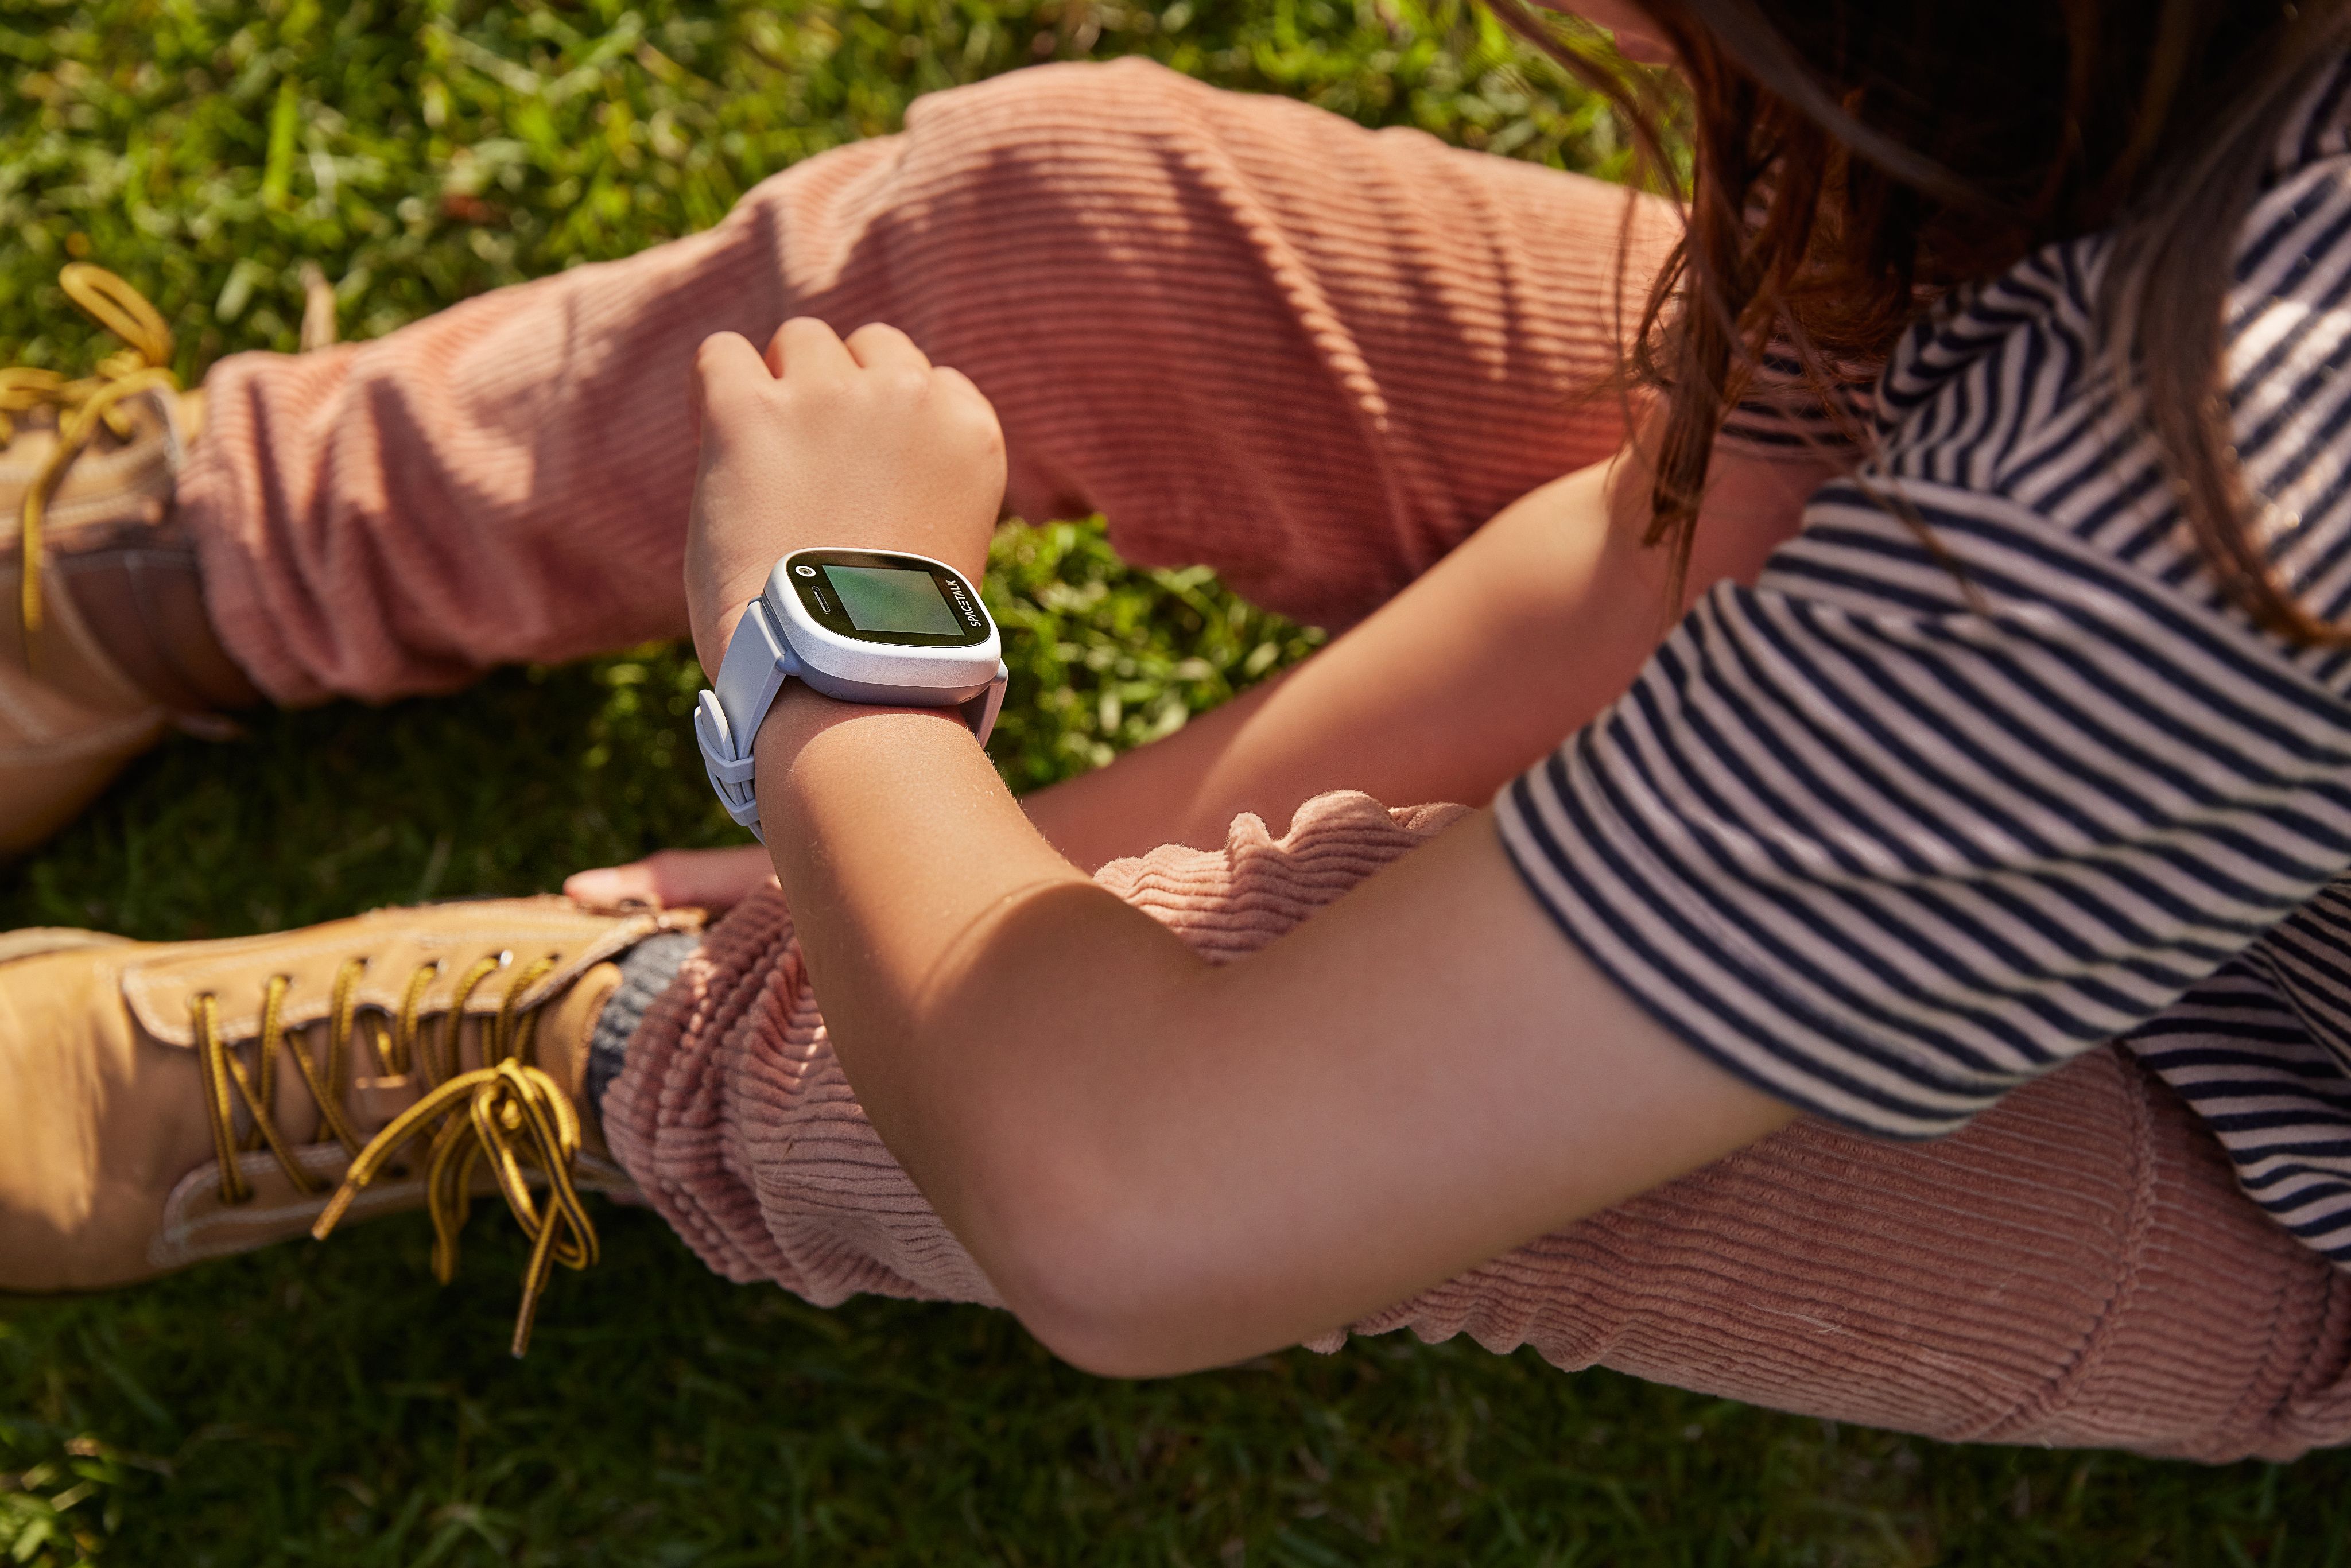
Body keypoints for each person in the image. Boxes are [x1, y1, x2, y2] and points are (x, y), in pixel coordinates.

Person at [7, 0, 2351, 1462]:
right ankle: (132, 585)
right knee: (1068, 221)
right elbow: (1687, 561)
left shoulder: (2184, 509)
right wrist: (1006, 851)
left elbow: (1138, 1194)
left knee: (1332, 1050)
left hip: (2280, 1144)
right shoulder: (2067, 87)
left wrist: (841, 668)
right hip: (2077, 628)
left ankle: (559, 1025)